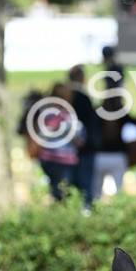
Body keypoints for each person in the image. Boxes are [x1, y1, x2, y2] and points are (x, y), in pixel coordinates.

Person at [34, 83, 84, 201]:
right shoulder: (61, 115)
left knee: (60, 191)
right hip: (60, 159)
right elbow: (79, 137)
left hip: (50, 158)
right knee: (63, 193)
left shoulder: (45, 112)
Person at [68, 65, 101, 207]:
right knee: (85, 184)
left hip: (66, 150)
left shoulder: (67, 96)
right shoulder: (83, 98)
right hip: (85, 148)